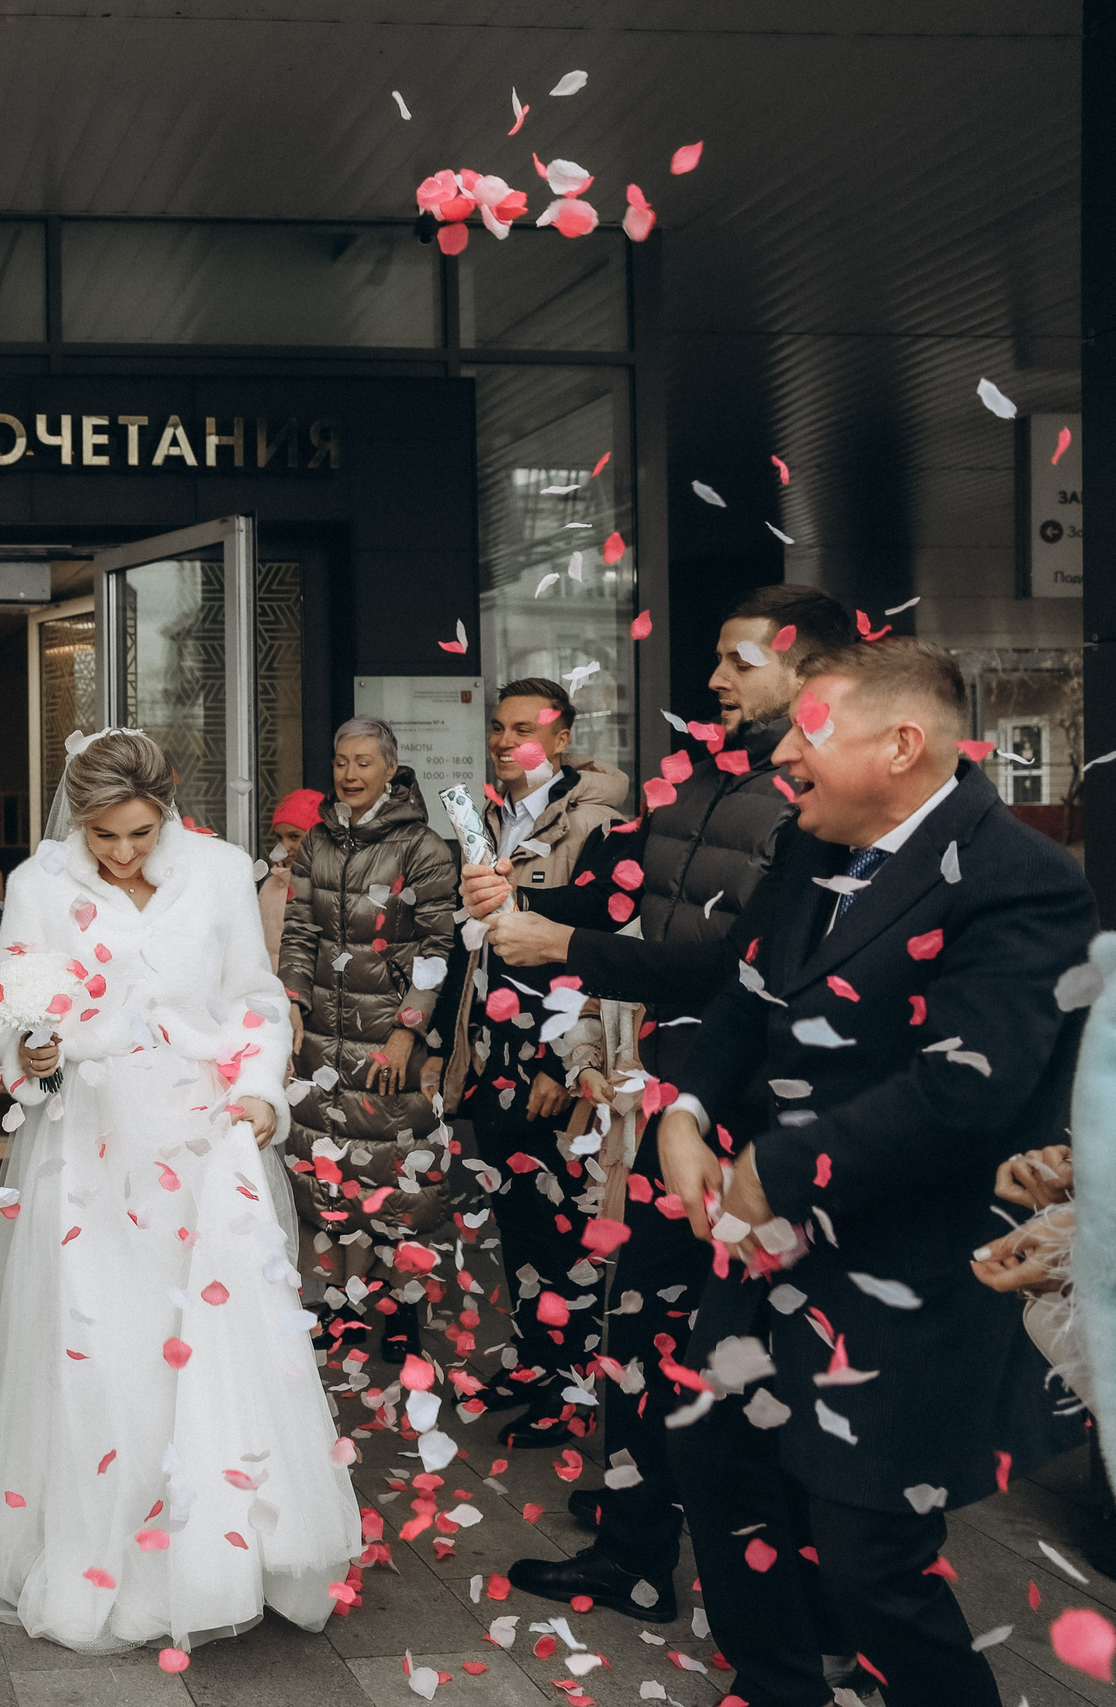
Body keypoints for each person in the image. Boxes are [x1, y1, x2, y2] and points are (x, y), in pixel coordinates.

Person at [652, 639, 1093, 1707]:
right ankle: (772, 1688)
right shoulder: (807, 848)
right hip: (761, 1260)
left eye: (808, 733)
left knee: (869, 1562)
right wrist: (689, 1108)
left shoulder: (1021, 882)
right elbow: (746, 999)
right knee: (722, 1477)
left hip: (912, 1271)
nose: (780, 762)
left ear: (900, 744)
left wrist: (772, 1168)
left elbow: (965, 1092)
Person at [467, 583, 852, 1618]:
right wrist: (530, 901)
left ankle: (799, 1597)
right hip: (672, 1096)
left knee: (749, 1355)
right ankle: (636, 1550)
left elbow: (741, 970)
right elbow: (628, 893)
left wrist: (566, 949)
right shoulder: (699, 781)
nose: (715, 680)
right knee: (635, 1328)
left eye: (741, 662)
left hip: (756, 1115)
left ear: (812, 675)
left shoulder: (819, 804)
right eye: (718, 660)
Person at [0, 729, 360, 1654]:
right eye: (103, 836)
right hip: (87, 1141)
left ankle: (223, 1554)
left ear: (165, 808)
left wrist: (259, 1090)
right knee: (104, 1341)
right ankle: (104, 1549)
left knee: (207, 1340)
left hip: (201, 1137)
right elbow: (4, 1012)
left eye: (137, 832)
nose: (122, 852)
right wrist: (28, 1050)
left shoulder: (216, 872)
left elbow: (253, 1001)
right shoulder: (43, 884)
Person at [437, 679, 629, 1446]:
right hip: (491, 1051)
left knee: (564, 1229)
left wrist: (567, 1054)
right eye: (499, 726)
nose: (506, 739)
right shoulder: (486, 817)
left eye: (525, 728)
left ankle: (574, 1388)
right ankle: (532, 1361)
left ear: (560, 737)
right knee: (517, 1221)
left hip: (552, 1060)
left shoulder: (597, 822)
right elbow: (476, 939)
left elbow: (602, 945)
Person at [278, 716, 461, 1363]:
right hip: (322, 1040)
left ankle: (407, 1311)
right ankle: (344, 1306)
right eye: (340, 762)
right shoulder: (317, 843)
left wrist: (410, 1030)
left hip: (387, 1039)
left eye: (363, 762)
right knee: (332, 1178)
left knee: (397, 1180)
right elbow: (299, 931)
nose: (350, 775)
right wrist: (291, 1005)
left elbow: (441, 948)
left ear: (391, 767)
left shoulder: (423, 846)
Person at [258, 786, 323, 968]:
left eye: (294, 837)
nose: (284, 846)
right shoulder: (270, 885)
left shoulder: (326, 887)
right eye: (279, 837)